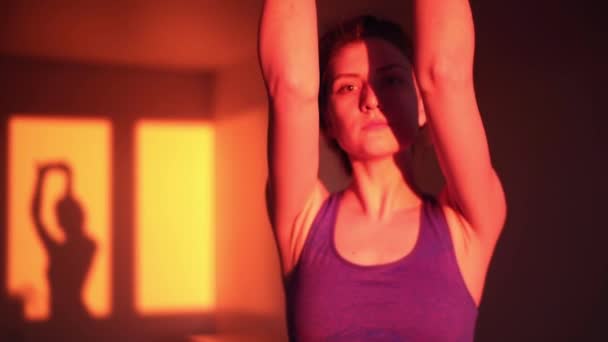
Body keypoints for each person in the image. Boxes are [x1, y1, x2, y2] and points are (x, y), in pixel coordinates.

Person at [258, 1, 507, 340]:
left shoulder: (465, 220)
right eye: (347, 87)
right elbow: (290, 87)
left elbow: (445, 74)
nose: (370, 99)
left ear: (423, 107)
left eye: (390, 80)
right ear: (327, 119)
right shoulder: (303, 218)